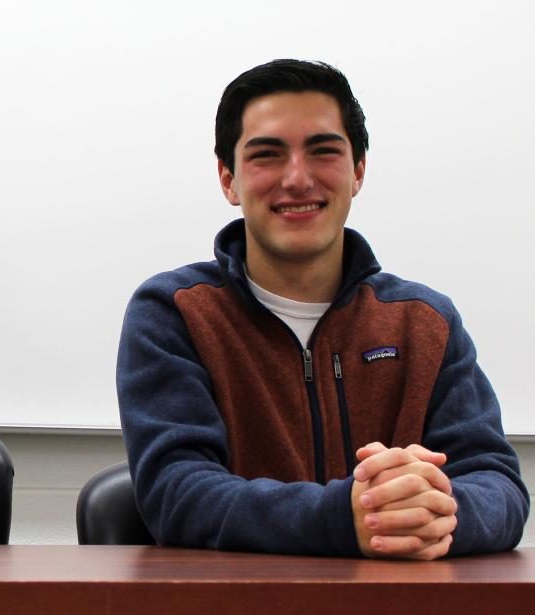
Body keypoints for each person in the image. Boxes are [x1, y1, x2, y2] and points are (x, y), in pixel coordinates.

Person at [117, 60, 527, 559]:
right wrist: (345, 516)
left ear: (357, 172)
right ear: (228, 179)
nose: (297, 178)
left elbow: (498, 484)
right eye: (267, 155)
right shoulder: (175, 313)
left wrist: (434, 512)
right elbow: (178, 493)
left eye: (323, 151)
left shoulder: (423, 321)